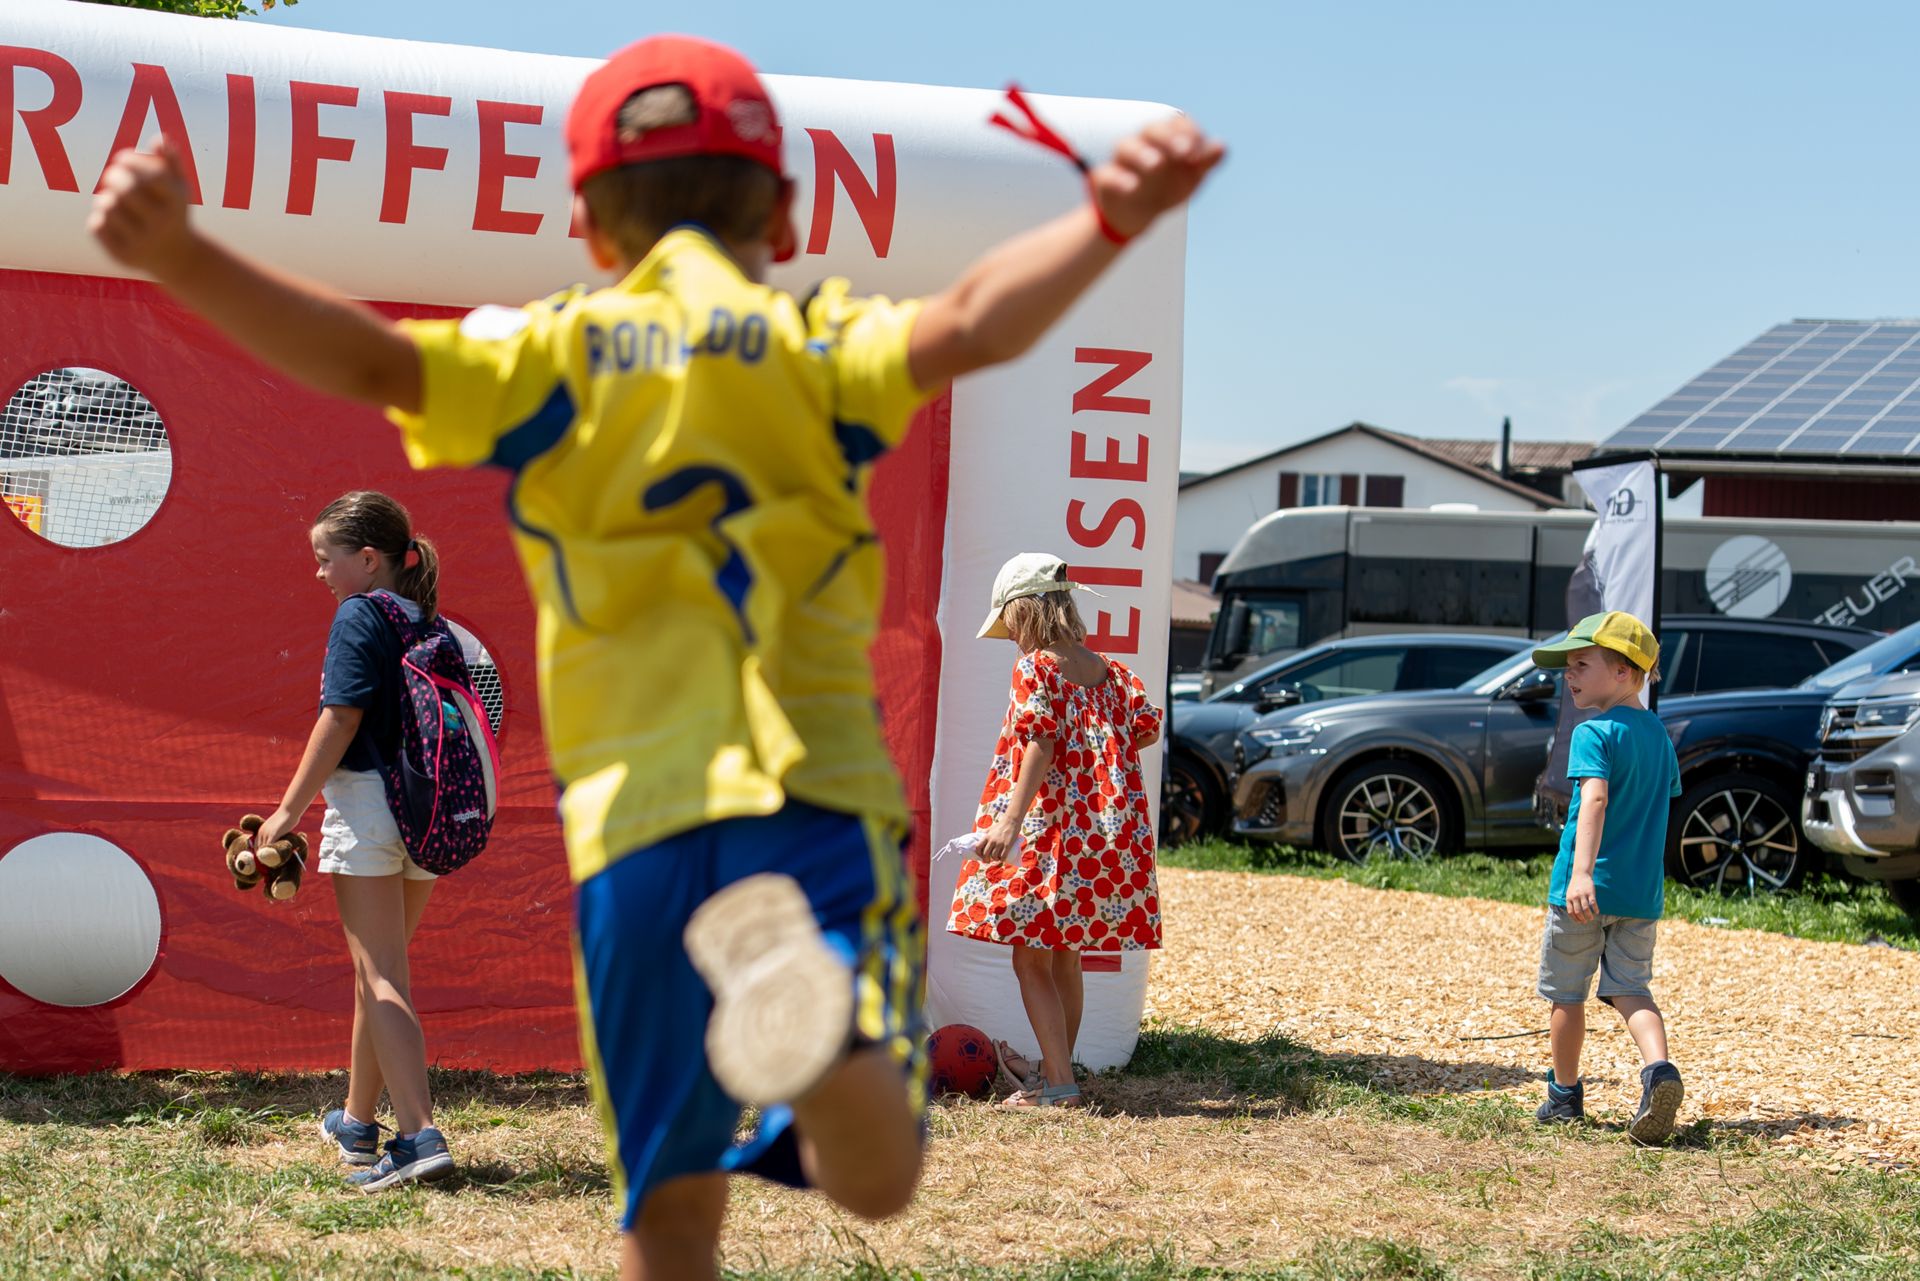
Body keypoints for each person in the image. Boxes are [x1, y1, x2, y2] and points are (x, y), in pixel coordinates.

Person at [88, 33, 1221, 1275]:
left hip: (639, 834)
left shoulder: (558, 356)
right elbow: (969, 322)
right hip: (814, 812)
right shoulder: (810, 351)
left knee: (667, 1211)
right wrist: (1106, 223)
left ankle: (773, 1059)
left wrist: (183, 254)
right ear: (783, 214)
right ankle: (816, 1046)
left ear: (585, 221)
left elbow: (370, 358)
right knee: (878, 1172)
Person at [262, 490, 455, 1190]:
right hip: (428, 819)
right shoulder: (427, 619)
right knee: (378, 973)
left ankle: (418, 1136)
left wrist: (287, 811)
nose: (320, 574)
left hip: (370, 810)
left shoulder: (357, 615)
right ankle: (355, 1120)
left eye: (326, 559)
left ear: (368, 559)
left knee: (381, 976)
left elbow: (340, 718)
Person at [947, 553, 1164, 1108]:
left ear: (1024, 613)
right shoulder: (1112, 672)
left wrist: (1009, 821)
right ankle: (1054, 1072)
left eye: (1010, 623)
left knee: (1029, 959)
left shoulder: (1037, 668)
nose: (1011, 635)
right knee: (1066, 955)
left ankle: (1060, 1086)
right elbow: (1141, 731)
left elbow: (1040, 743)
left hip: (1053, 829)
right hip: (1104, 832)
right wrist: (1098, 762)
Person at [1529, 611, 1684, 1144]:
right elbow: (1658, 810)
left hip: (1584, 892)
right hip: (1641, 894)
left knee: (1566, 995)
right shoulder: (1659, 737)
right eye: (1567, 667)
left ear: (1624, 671)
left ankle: (1564, 1096)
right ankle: (1658, 1072)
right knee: (1631, 990)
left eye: (1580, 664)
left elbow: (1594, 799)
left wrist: (1581, 874)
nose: (1568, 676)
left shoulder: (1594, 731)